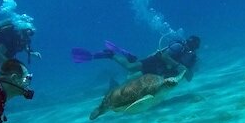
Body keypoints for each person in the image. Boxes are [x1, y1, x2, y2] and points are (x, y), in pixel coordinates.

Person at [72, 35, 200, 81]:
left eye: (193, 45)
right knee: (130, 68)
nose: (191, 46)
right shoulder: (179, 46)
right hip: (155, 62)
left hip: (159, 70)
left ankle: (130, 56)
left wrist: (181, 69)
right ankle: (111, 55)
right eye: (191, 44)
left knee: (131, 77)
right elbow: (164, 56)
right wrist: (178, 66)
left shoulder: (191, 56)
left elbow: (189, 77)